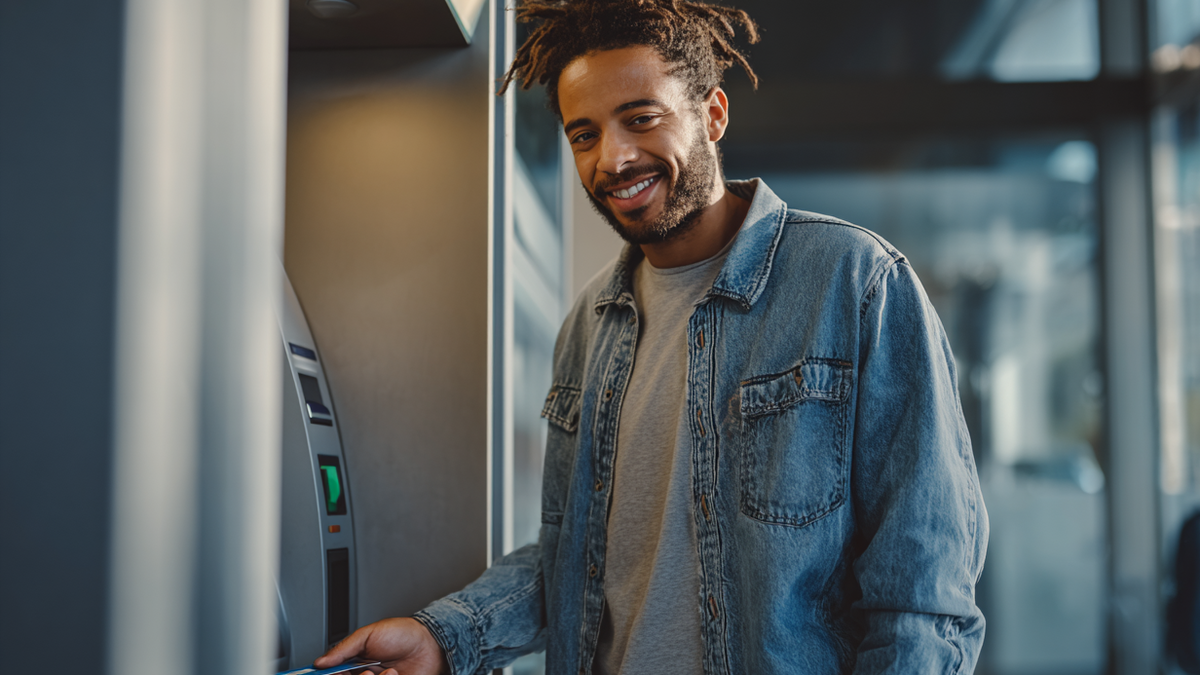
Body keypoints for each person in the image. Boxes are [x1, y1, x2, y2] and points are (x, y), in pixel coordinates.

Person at [316, 1, 989, 673]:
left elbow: (923, 598)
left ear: (713, 114)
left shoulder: (857, 283)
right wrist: (443, 636)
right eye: (584, 134)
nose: (612, 158)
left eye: (641, 118)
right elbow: (574, 560)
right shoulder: (589, 325)